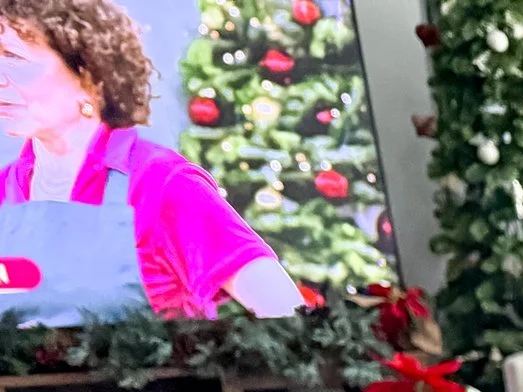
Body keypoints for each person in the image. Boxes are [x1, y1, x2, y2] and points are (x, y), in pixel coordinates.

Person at [0, 0, 302, 325]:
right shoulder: (6, 190)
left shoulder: (161, 182)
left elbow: (287, 315)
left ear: (89, 75)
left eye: (14, 58)